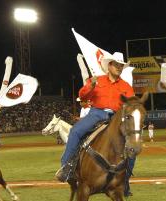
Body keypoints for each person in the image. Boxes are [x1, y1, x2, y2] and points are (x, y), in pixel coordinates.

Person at [55, 52, 135, 192]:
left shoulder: (126, 86)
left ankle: (125, 180)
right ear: (109, 66)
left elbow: (131, 103)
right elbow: (82, 96)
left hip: (116, 117)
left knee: (131, 146)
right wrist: (90, 86)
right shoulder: (97, 81)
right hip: (97, 113)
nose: (119, 67)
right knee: (75, 131)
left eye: (121, 66)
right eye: (116, 65)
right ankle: (66, 168)